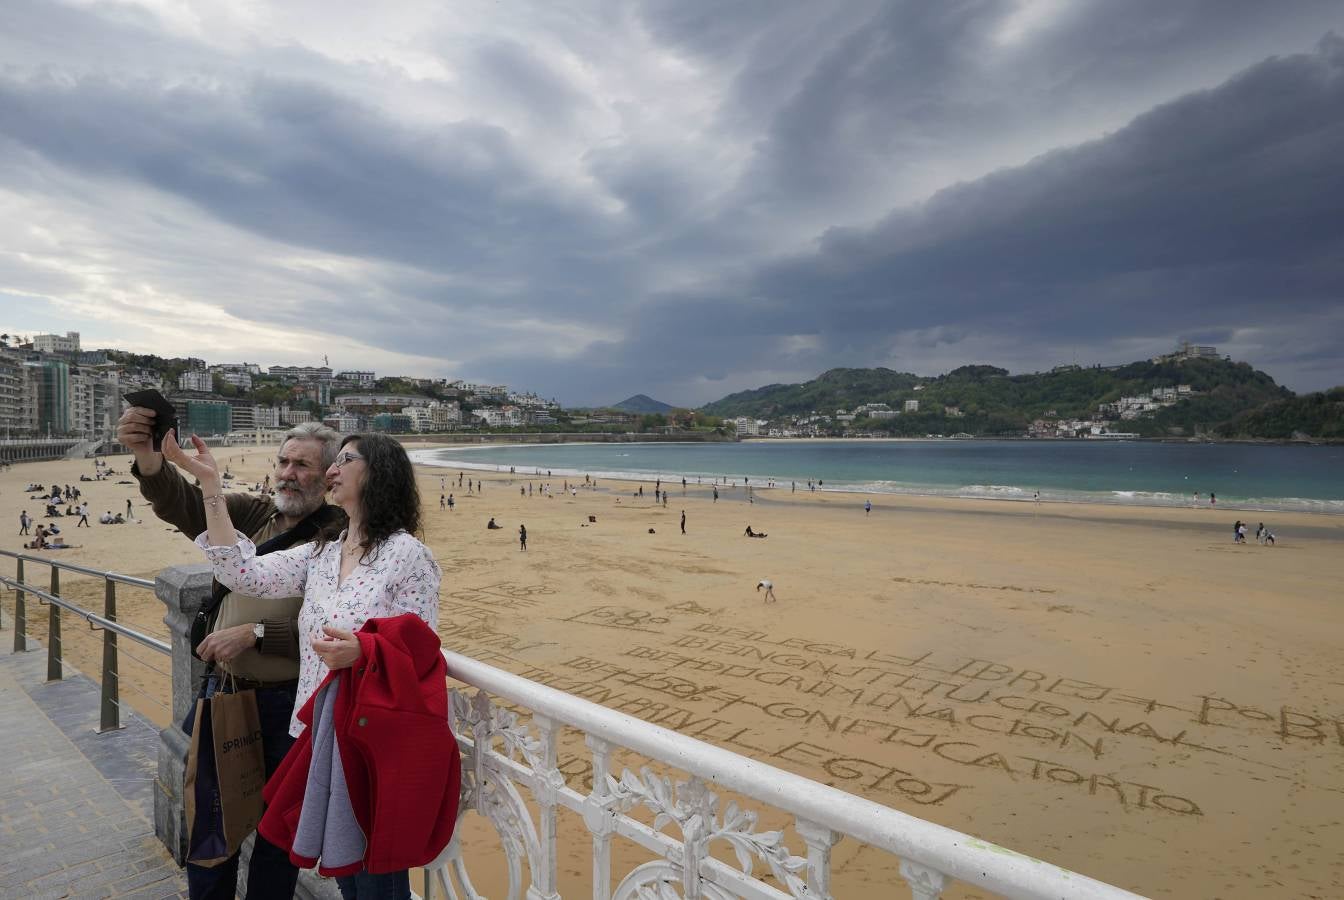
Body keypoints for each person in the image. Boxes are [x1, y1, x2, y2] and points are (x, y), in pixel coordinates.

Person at [166, 430, 444, 899]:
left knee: (376, 878)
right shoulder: (323, 551)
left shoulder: (407, 555)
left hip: (372, 739)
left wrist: (365, 650)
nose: (332, 470)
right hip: (320, 734)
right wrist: (211, 488)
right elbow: (241, 573)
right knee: (346, 874)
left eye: (346, 460)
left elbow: (421, 649)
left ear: (379, 473)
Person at [118, 409, 345, 900]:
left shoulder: (341, 537)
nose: (288, 473)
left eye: (303, 465)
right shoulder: (255, 515)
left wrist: (259, 633)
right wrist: (148, 459)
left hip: (293, 708)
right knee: (211, 829)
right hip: (227, 696)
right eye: (284, 461)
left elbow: (339, 629)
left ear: (329, 476)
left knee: (277, 837)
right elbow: (184, 505)